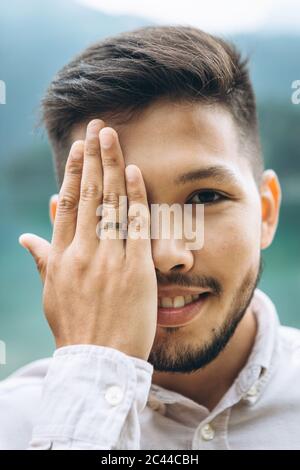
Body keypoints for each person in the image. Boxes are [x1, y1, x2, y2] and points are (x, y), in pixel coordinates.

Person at [1, 25, 299, 450]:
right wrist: (92, 379)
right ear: (67, 234)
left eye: (205, 197)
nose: (166, 255)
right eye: (115, 209)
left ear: (266, 212)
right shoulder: (13, 425)